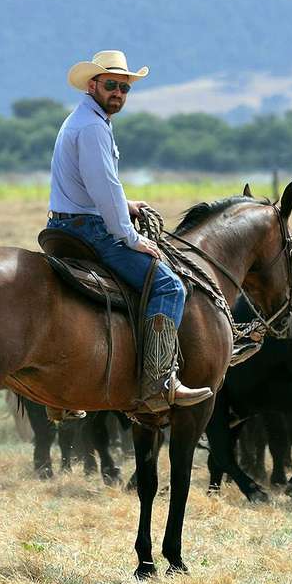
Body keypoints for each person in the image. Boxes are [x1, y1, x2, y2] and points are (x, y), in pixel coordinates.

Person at [47, 50, 213, 413]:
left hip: (63, 223)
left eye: (124, 88)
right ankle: (158, 382)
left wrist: (127, 204)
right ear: (93, 85)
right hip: (90, 229)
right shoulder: (92, 127)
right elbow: (104, 187)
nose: (118, 93)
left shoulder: (82, 119)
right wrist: (131, 236)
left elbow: (98, 188)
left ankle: (57, 396)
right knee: (170, 286)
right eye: (111, 85)